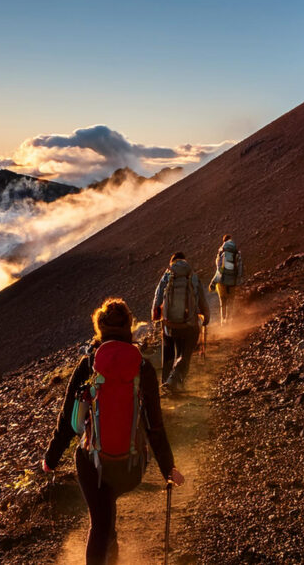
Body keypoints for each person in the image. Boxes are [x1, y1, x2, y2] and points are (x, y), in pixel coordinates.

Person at [42, 298, 184, 565]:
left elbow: (67, 419)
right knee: (107, 515)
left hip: (92, 464)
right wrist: (168, 468)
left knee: (100, 522)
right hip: (130, 467)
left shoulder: (89, 364)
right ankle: (113, 554)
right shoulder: (142, 367)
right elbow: (155, 426)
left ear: (99, 327)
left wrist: (51, 459)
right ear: (129, 326)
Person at [151, 252, 210, 391]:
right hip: (189, 325)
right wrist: (206, 317)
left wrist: (156, 316)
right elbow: (201, 299)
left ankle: (166, 381)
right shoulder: (193, 276)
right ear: (185, 261)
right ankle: (176, 379)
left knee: (169, 350)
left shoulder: (166, 276)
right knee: (185, 353)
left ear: (172, 262)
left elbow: (157, 298)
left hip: (169, 325)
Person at [208, 234, 244, 324]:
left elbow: (219, 270)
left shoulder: (221, 252)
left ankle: (223, 322)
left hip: (222, 282)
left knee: (223, 302)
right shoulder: (236, 252)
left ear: (223, 241)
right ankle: (229, 321)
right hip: (232, 282)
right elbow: (240, 268)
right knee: (231, 303)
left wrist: (213, 282)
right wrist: (239, 280)